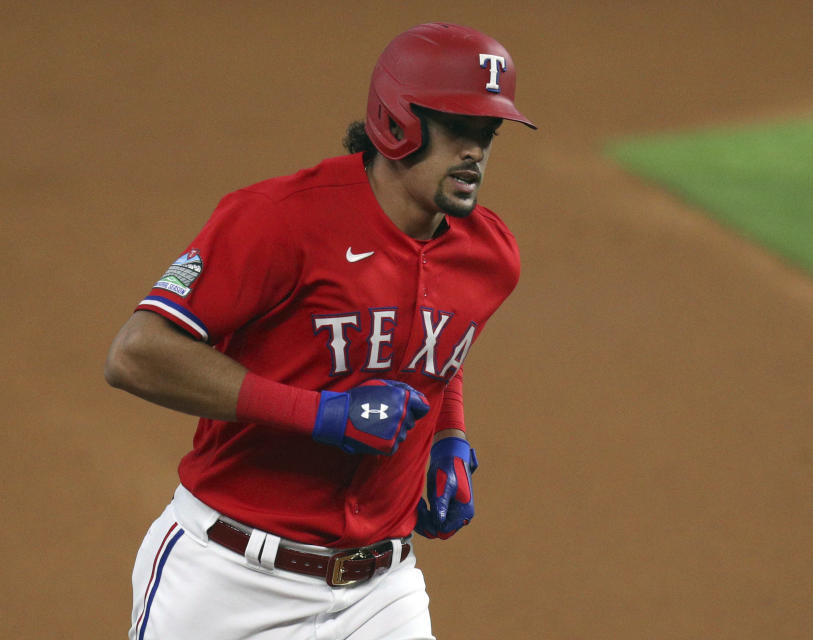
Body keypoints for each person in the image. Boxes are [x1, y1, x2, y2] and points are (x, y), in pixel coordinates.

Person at [104, 22, 536, 640]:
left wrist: (450, 435)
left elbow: (440, 346)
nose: (476, 151)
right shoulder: (281, 222)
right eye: (459, 130)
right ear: (397, 122)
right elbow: (137, 354)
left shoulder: (490, 255)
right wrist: (320, 415)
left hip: (382, 592)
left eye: (488, 134)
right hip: (229, 580)